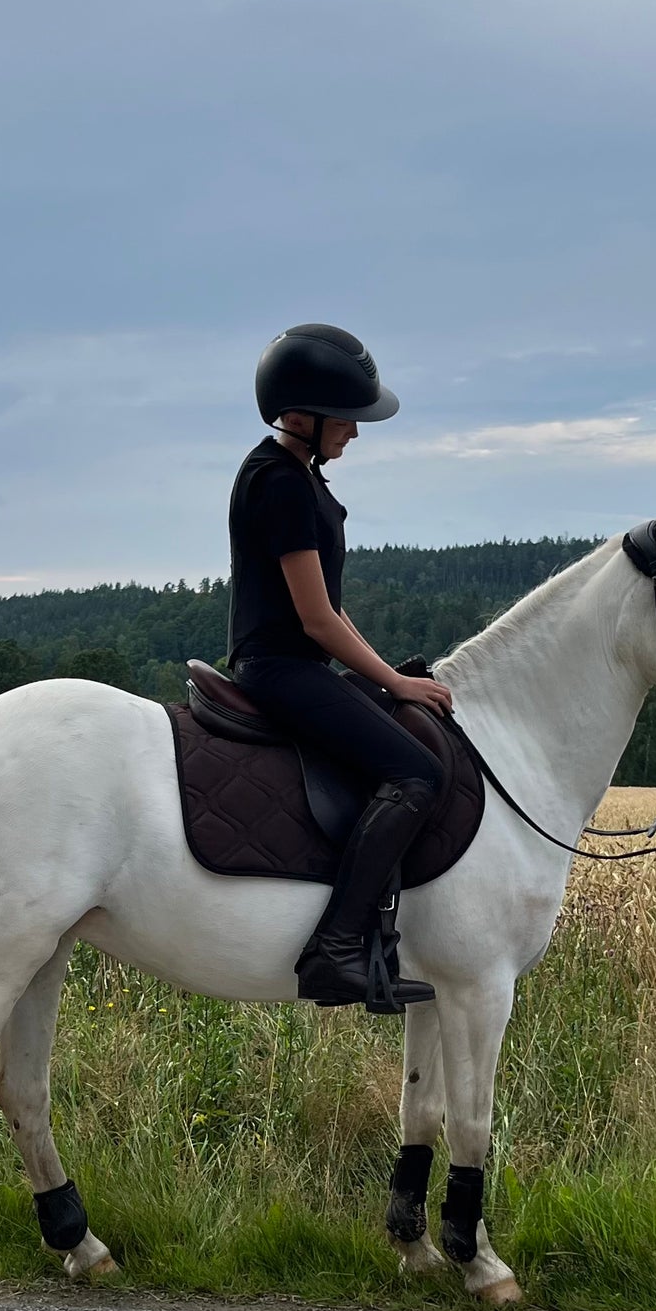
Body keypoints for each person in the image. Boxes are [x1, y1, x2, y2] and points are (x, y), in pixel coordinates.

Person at [227, 322, 454, 1013]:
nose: (355, 432)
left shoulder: (293, 475)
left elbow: (334, 612)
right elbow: (316, 621)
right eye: (347, 419)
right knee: (417, 771)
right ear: (301, 414)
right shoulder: (282, 486)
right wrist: (395, 683)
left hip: (296, 663)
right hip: (279, 668)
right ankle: (335, 951)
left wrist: (389, 673)